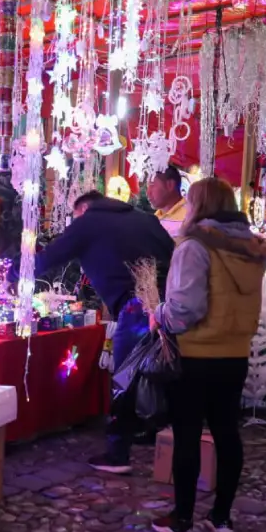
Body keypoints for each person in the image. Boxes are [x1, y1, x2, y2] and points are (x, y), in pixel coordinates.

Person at [149, 178, 266, 532]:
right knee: (226, 433)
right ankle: (221, 518)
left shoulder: (195, 246)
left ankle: (182, 520)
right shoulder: (251, 250)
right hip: (234, 353)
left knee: (187, 434)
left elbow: (186, 308)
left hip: (196, 353)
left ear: (198, 205)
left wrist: (159, 313)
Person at [37, 190, 174, 474]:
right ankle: (161, 437)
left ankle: (118, 453)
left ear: (84, 209)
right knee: (162, 372)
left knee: (125, 377)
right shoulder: (146, 220)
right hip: (167, 305)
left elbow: (51, 256)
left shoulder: (89, 221)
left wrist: (14, 272)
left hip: (136, 307)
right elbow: (172, 255)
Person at [147, 165, 188, 237]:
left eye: (152, 185)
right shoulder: (154, 218)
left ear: (170, 185)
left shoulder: (190, 216)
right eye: (148, 186)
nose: (148, 192)